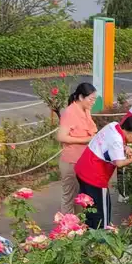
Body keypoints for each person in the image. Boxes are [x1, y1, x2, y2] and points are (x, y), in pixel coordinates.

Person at [74, 117, 132, 229]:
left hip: (82, 168)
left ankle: (88, 235)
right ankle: (101, 241)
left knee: (89, 208)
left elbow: (110, 142)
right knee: (101, 214)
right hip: (95, 177)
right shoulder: (117, 140)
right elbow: (119, 163)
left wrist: (125, 147)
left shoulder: (113, 125)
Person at [54, 82, 98, 213]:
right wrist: (85, 140)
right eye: (91, 99)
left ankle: (78, 227)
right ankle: (66, 229)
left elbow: (91, 129)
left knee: (81, 196)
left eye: (94, 99)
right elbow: (61, 137)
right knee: (69, 197)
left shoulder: (86, 110)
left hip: (83, 159)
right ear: (80, 97)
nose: (93, 102)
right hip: (71, 160)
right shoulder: (70, 112)